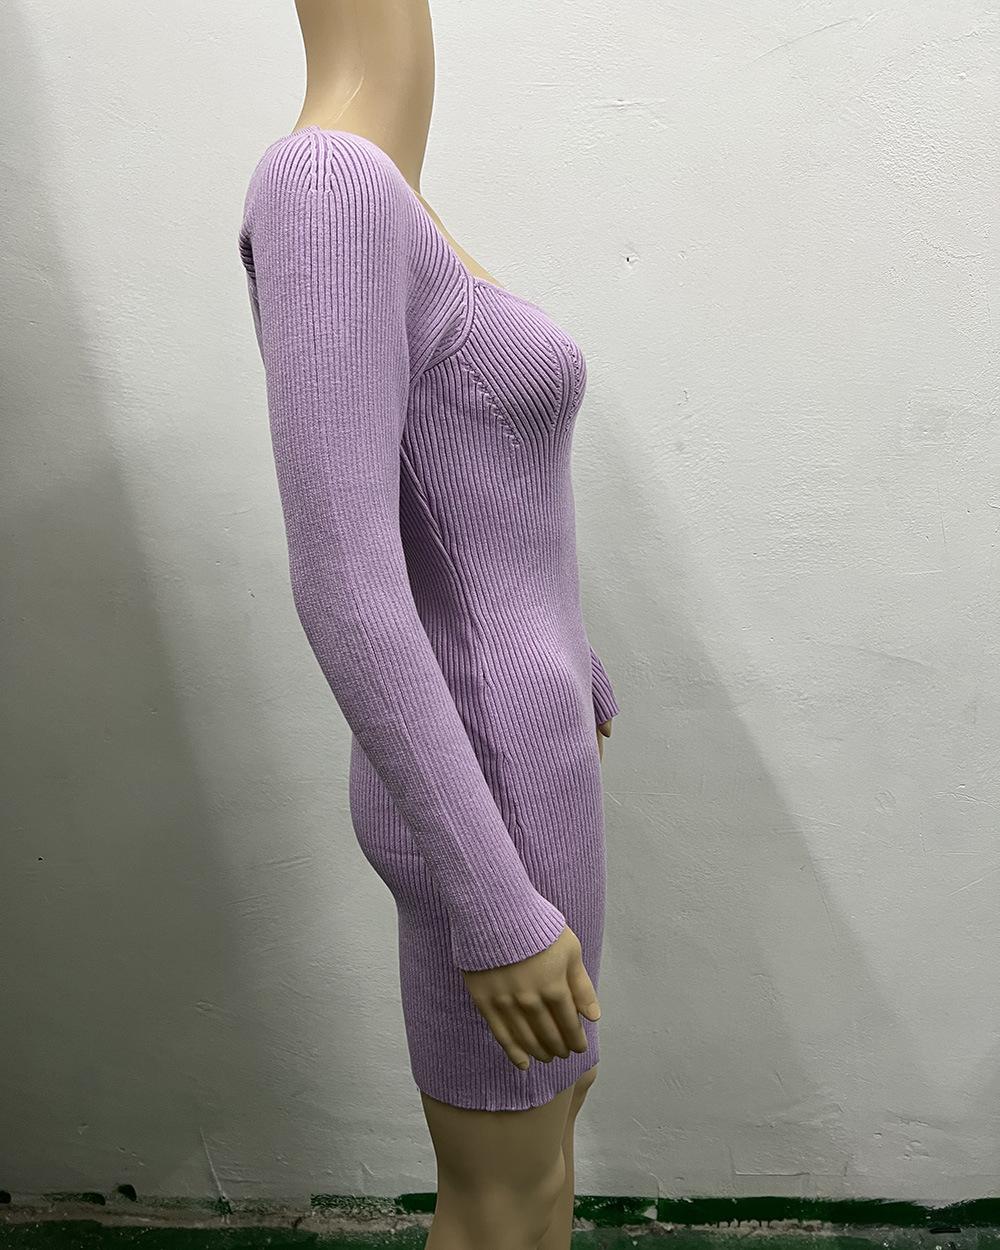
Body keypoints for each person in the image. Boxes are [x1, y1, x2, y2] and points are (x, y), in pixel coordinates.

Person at [236, 3, 621, 1245]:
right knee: (503, 1193)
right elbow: (345, 579)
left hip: (535, 761)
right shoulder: (326, 185)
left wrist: (574, 661)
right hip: (484, 788)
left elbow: (470, 501)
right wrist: (494, 905)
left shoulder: (390, 193)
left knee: (540, 1158)